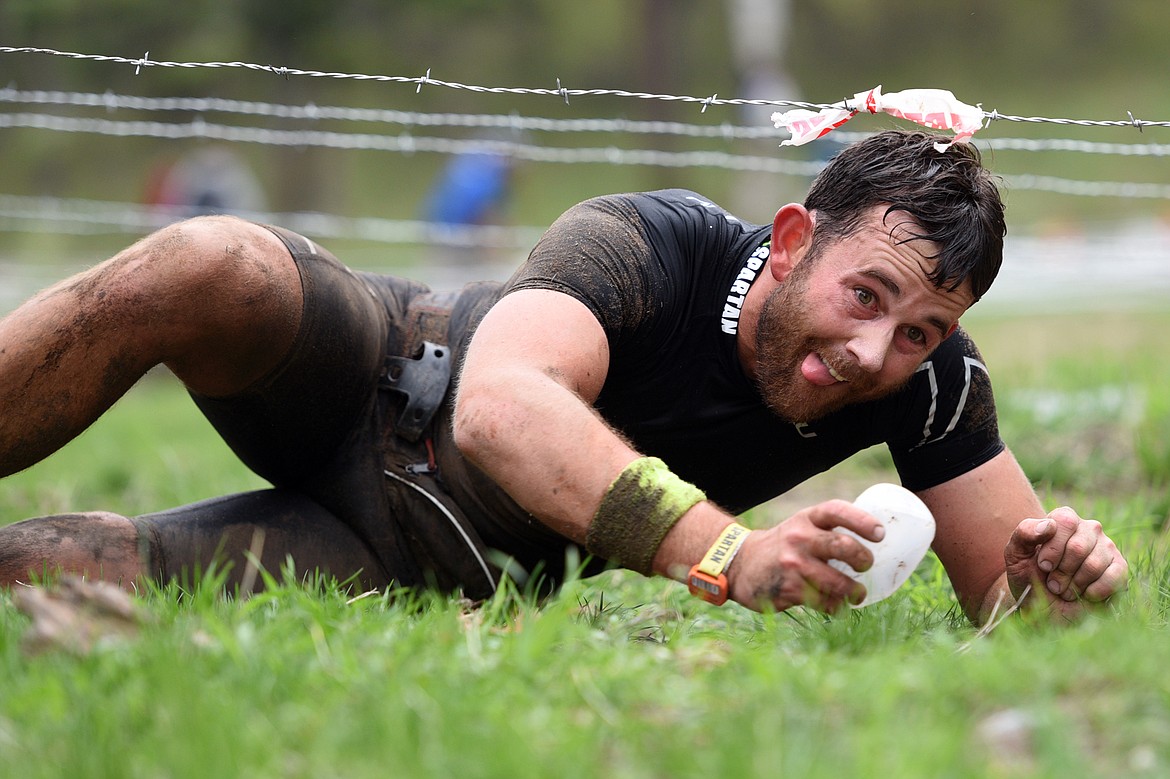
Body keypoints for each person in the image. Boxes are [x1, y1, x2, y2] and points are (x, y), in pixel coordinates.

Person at [0, 130, 1127, 624]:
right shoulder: (656, 240)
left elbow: (1010, 604)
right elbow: (500, 407)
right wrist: (730, 553)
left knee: (60, 570)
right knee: (212, 262)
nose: (877, 353)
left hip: (419, 558)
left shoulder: (927, 384)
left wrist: (1070, 581)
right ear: (791, 239)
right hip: (369, 370)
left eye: (925, 330)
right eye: (866, 295)